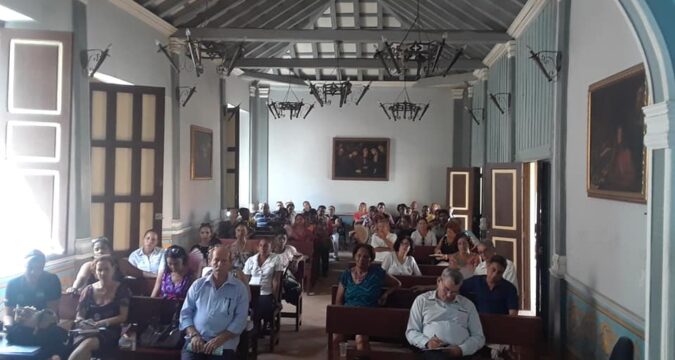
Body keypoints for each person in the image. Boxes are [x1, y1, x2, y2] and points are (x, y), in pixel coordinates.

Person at [179, 244, 249, 360]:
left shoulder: (239, 289)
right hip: (197, 341)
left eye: (224, 261)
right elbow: (185, 313)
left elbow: (240, 320)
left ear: (230, 263)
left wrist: (219, 340)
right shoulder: (198, 285)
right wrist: (194, 335)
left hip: (223, 344)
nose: (219, 264)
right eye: (216, 260)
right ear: (210, 261)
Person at [333, 244, 401, 356]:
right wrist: (340, 320)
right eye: (359, 256)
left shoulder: (377, 273)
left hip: (368, 316)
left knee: (361, 340)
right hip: (348, 315)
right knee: (336, 339)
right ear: (354, 256)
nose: (361, 259)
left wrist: (385, 295)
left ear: (371, 259)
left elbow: (397, 284)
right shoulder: (346, 275)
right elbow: (338, 301)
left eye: (365, 257)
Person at [406, 268, 485, 359]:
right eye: (446, 289)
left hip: (461, 354)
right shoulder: (422, 300)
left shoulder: (468, 305)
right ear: (439, 281)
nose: (449, 295)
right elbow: (411, 331)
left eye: (454, 292)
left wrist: (462, 349)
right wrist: (427, 342)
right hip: (433, 352)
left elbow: (478, 336)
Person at [69, 255, 131, 360]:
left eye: (106, 269)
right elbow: (80, 315)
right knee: (83, 348)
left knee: (87, 344)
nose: (103, 273)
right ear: (95, 272)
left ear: (113, 269)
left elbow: (122, 316)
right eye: (99, 270)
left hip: (109, 330)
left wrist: (100, 323)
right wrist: (82, 322)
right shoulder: (88, 290)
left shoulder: (121, 289)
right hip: (87, 330)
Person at [4, 250, 61, 327]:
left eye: (38, 268)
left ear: (43, 267)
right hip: (20, 325)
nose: (33, 272)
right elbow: (8, 314)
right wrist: (8, 327)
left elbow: (51, 312)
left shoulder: (52, 280)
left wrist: (33, 318)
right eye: (30, 267)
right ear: (24, 266)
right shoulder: (13, 284)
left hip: (45, 324)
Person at [69, 238, 142, 292]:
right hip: (94, 299)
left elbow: (140, 273)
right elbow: (81, 279)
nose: (100, 251)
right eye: (97, 249)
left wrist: (153, 276)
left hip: (117, 297)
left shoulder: (121, 263)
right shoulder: (88, 266)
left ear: (110, 250)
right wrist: (74, 288)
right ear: (93, 253)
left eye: (103, 248)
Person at [243, 238, 284, 334]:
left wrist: (276, 298)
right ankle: (250, 329)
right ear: (258, 247)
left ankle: (256, 328)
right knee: (244, 304)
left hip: (266, 291)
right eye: (261, 246)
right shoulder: (251, 260)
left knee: (260, 304)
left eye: (266, 246)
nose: (263, 248)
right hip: (251, 290)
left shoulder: (276, 258)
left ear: (271, 247)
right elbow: (245, 279)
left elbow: (276, 280)